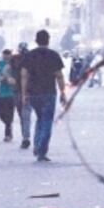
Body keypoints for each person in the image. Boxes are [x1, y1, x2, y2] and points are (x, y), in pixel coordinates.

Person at [19, 30, 66, 162]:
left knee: (40, 118)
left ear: (36, 40)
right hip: (49, 93)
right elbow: (59, 76)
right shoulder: (53, 55)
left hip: (33, 93)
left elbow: (24, 75)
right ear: (48, 40)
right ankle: (41, 149)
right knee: (46, 121)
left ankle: (37, 144)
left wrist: (24, 93)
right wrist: (63, 92)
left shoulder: (29, 56)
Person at [10, 42, 32, 149]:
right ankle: (26, 137)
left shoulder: (14, 59)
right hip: (30, 90)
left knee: (23, 115)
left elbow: (7, 70)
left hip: (19, 91)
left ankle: (25, 136)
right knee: (26, 115)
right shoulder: (32, 58)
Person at [0, 49, 16, 142]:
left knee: (9, 115)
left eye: (8, 57)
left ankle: (8, 133)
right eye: (4, 57)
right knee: (2, 114)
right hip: (1, 93)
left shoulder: (14, 64)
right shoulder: (0, 63)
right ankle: (8, 125)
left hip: (11, 93)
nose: (6, 59)